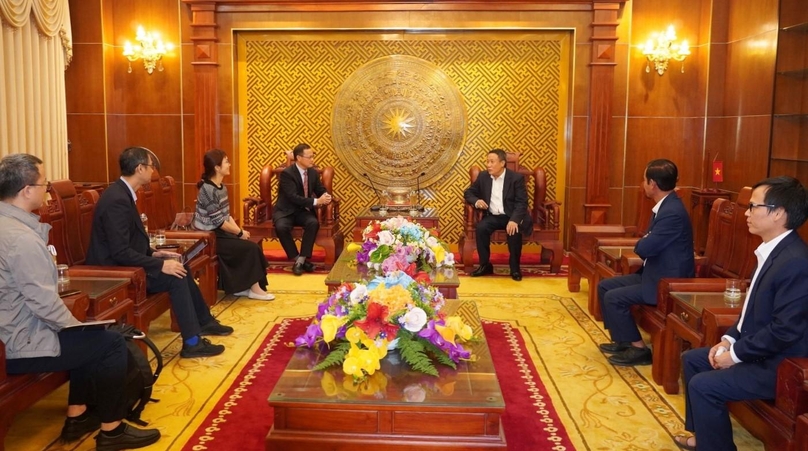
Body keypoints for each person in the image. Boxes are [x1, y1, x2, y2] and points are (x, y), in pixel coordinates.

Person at [0, 154, 161, 450]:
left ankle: (78, 416)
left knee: (88, 335)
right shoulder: (20, 239)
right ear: (26, 190)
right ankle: (111, 431)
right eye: (43, 184)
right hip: (20, 341)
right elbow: (43, 303)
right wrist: (77, 327)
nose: (46, 190)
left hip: (12, 330)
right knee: (107, 343)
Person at [674, 176, 808, 451]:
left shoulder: (795, 262)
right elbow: (751, 311)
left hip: (781, 365)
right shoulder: (773, 251)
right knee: (693, 359)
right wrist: (729, 341)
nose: (746, 212)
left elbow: (784, 331)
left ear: (778, 213)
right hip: (761, 351)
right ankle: (707, 438)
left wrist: (734, 356)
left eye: (753, 206)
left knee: (703, 385)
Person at [86, 146, 233, 358]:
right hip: (116, 271)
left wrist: (154, 254)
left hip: (129, 263)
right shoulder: (116, 199)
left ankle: (204, 321)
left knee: (180, 266)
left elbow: (129, 241)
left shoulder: (123, 193)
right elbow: (119, 252)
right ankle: (192, 342)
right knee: (175, 276)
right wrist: (160, 265)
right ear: (139, 168)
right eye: (151, 167)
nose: (153, 171)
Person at [598, 159, 694, 366]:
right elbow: (648, 242)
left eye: (644, 180)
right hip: (653, 273)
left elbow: (645, 247)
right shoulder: (667, 205)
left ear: (652, 184)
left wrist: (643, 241)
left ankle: (639, 349)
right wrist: (645, 240)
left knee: (614, 297)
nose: (642, 184)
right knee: (605, 286)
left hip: (666, 282)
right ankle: (623, 340)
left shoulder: (672, 213)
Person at [194, 149, 274, 300]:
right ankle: (255, 289)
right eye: (226, 162)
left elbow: (227, 216)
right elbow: (219, 222)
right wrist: (239, 233)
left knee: (250, 245)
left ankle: (242, 287)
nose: (229, 164)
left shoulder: (222, 187)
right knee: (250, 248)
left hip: (220, 232)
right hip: (208, 237)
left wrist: (240, 231)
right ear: (217, 167)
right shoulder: (207, 189)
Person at [463, 148, 533, 281]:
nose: (488, 165)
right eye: (487, 161)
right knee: (481, 228)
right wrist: (476, 201)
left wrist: (514, 220)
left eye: (492, 162)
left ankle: (515, 268)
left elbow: (522, 202)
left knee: (514, 230)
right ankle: (485, 265)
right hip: (493, 216)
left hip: (511, 215)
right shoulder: (483, 176)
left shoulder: (516, 178)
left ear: (502, 163)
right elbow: (468, 193)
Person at [273, 143, 332, 276]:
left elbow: (319, 189)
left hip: (302, 211)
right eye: (309, 157)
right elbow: (293, 197)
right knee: (281, 227)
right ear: (299, 158)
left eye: (313, 156)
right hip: (286, 210)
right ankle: (298, 260)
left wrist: (326, 196)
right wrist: (317, 201)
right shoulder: (287, 174)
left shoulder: (312, 173)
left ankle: (301, 259)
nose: (313, 160)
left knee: (313, 223)